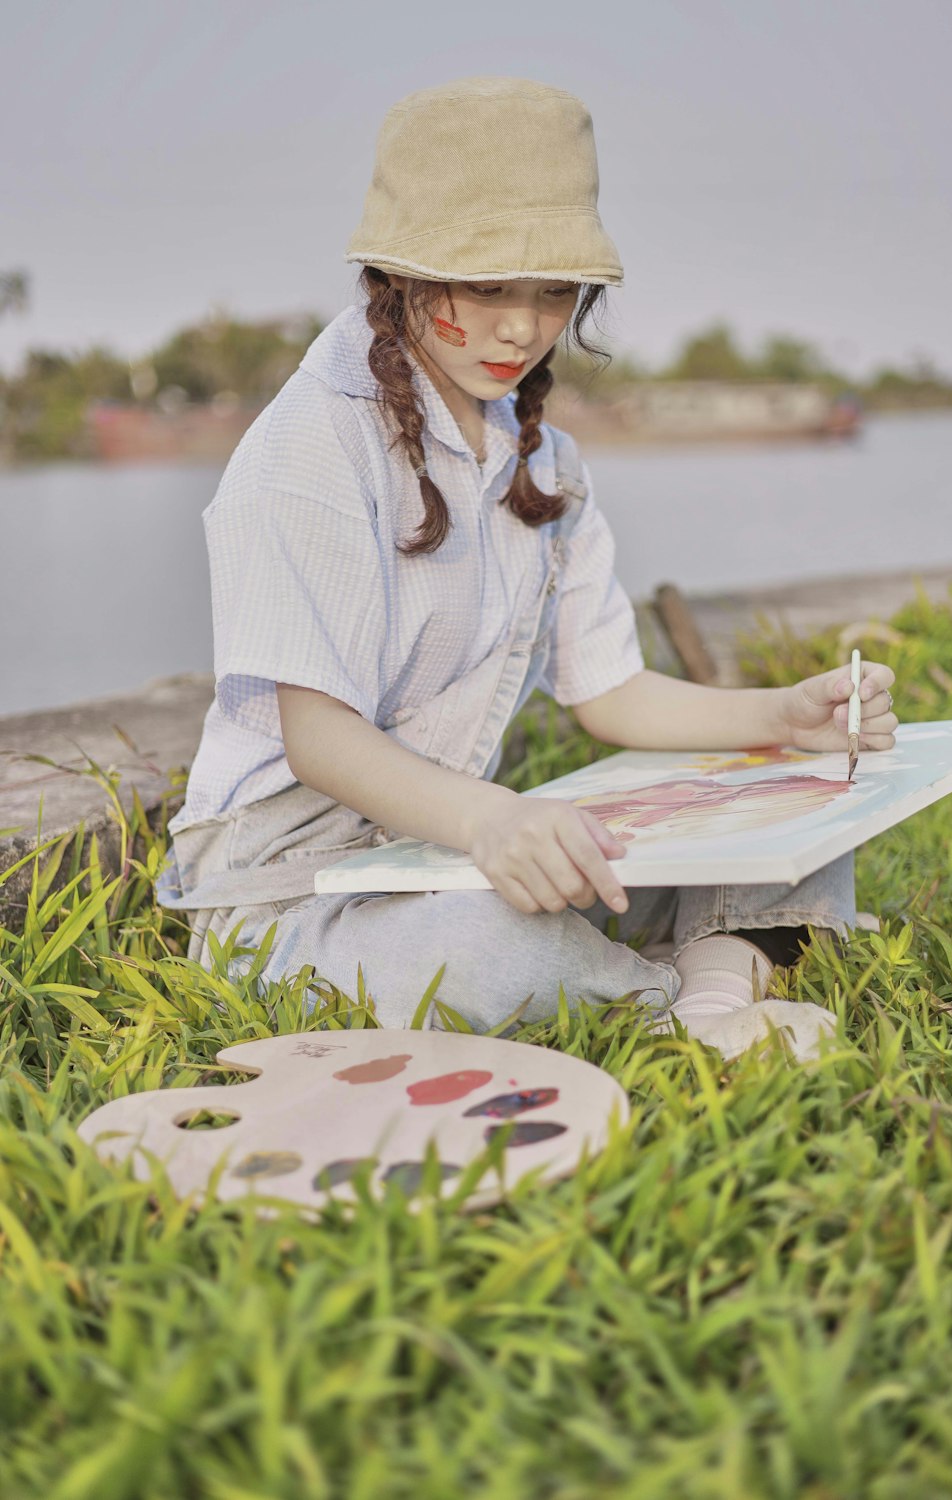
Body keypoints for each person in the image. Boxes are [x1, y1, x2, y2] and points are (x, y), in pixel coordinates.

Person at [157, 77, 897, 1059]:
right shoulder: (309, 449)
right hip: (289, 887)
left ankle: (700, 1005)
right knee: (494, 954)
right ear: (398, 277)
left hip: (449, 846)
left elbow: (611, 691)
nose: (521, 326)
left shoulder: (541, 457)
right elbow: (319, 740)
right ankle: (696, 993)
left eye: (553, 290)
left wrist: (776, 719)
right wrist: (494, 823)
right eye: (486, 286)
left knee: (796, 808)